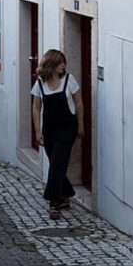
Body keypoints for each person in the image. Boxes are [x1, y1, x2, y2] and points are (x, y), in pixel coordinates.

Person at [31, 48, 84, 219]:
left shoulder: (69, 80)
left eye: (64, 62)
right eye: (60, 62)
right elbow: (36, 107)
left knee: (57, 163)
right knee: (56, 163)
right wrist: (38, 131)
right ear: (52, 64)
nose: (64, 65)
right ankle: (65, 194)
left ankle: (53, 202)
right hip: (49, 130)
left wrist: (80, 126)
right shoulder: (40, 83)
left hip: (67, 128)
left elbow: (79, 102)